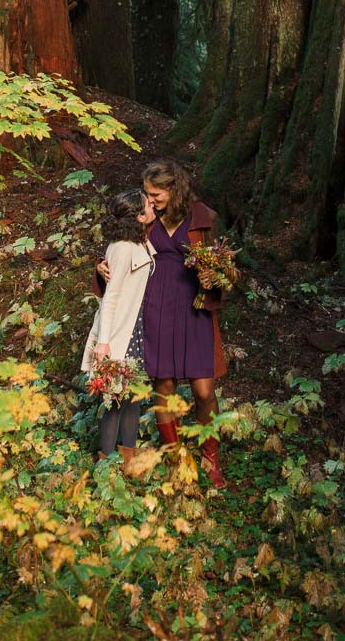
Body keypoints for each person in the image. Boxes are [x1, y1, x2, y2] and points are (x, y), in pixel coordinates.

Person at [97, 160, 227, 488]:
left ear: (174, 189)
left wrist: (218, 275)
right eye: (147, 194)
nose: (150, 199)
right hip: (153, 307)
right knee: (164, 386)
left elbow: (222, 264)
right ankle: (174, 456)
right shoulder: (146, 219)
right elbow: (119, 246)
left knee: (204, 389)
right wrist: (101, 268)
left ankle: (210, 455)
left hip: (193, 309)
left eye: (156, 194)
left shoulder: (202, 218)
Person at [82, 189, 155, 464]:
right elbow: (110, 297)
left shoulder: (138, 241)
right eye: (148, 206)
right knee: (114, 399)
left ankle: (129, 455)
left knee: (132, 396)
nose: (153, 208)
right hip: (119, 333)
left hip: (135, 330)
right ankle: (107, 461)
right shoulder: (124, 247)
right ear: (137, 216)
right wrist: (103, 342)